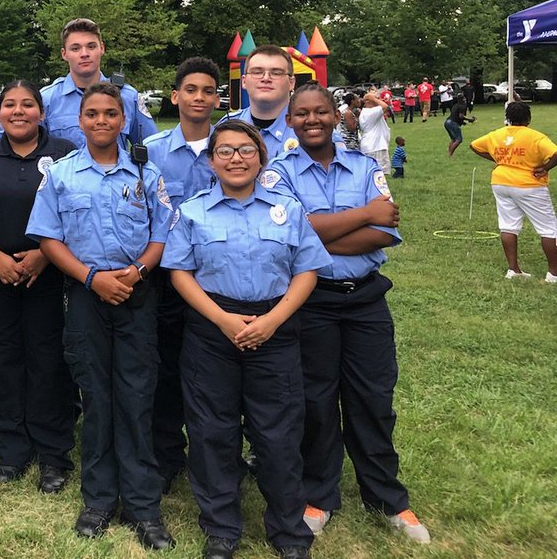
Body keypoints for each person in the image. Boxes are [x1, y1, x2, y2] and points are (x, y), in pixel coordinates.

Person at [266, 83, 431, 546]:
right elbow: (292, 235)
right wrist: (363, 213)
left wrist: (324, 232)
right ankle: (318, 495)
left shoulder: (363, 166)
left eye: (321, 111)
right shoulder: (278, 174)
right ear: (290, 121)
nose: (312, 119)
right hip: (311, 303)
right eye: (302, 114)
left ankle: (387, 497)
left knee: (374, 397)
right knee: (315, 402)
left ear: (335, 117)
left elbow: (384, 233)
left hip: (365, 302)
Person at [163, 118, 327, 559]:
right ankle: (221, 529)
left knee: (278, 434)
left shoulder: (287, 209)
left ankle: (290, 532)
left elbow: (307, 269)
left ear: (261, 157)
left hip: (274, 327)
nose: (236, 158)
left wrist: (272, 321)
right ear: (212, 161)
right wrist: (223, 321)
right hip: (212, 330)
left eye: (245, 150)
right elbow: (180, 271)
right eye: (226, 151)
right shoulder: (193, 211)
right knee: (211, 431)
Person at [26, 83, 174, 551]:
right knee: (97, 397)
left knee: (136, 396)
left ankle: (143, 506)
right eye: (92, 114)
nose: (102, 121)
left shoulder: (146, 175)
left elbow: (162, 233)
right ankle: (98, 499)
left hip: (136, 293)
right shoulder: (62, 174)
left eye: (111, 114)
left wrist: (135, 272)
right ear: (81, 121)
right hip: (87, 296)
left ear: (124, 120)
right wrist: (93, 279)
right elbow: (49, 239)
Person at [0, 79, 77, 493]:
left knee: (47, 362)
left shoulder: (63, 155)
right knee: (1, 361)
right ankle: (12, 451)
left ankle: (53, 453)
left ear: (41, 112)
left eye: (27, 104)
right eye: (9, 104)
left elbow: (76, 213)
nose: (18, 111)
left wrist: (43, 254)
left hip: (49, 273)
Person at [141, 56, 221, 491]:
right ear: (175, 96)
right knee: (166, 368)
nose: (199, 97)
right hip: (164, 280)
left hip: (216, 280)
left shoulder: (229, 148)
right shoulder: (149, 152)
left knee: (212, 374)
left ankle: (215, 456)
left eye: (208, 91)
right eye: (191, 89)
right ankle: (167, 454)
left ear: (217, 98)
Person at [469, 101, 557, 282]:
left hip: (501, 182)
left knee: (508, 226)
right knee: (549, 229)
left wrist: (499, 159)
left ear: (507, 118)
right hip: (529, 184)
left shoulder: (497, 134)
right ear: (528, 118)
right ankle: (553, 274)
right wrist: (546, 168)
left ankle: (513, 269)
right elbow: (555, 153)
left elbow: (474, 145)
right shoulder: (535, 137)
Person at [40, 18, 157, 150]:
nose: (84, 54)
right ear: (64, 54)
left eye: (91, 46)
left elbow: (151, 147)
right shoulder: (46, 99)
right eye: (75, 48)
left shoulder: (128, 97)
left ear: (101, 48)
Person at [226, 45, 296, 161]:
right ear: (244, 81)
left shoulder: (312, 131)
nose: (266, 78)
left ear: (291, 83)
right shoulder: (225, 127)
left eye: (276, 73)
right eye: (257, 72)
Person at [358, 90, 392, 173]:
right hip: (375, 147)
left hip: (373, 146)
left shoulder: (368, 111)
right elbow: (385, 107)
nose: (379, 100)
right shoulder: (370, 112)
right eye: (377, 99)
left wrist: (374, 98)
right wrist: (373, 98)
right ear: (369, 101)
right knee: (378, 175)